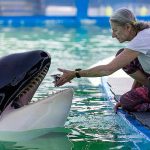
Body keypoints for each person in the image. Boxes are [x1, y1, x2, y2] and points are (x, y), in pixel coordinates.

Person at [55, 8, 150, 113]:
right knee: (123, 57)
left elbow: (107, 70)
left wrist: (76, 73)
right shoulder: (142, 35)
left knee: (127, 102)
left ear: (128, 27)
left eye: (115, 30)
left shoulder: (142, 39)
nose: (113, 35)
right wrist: (133, 92)